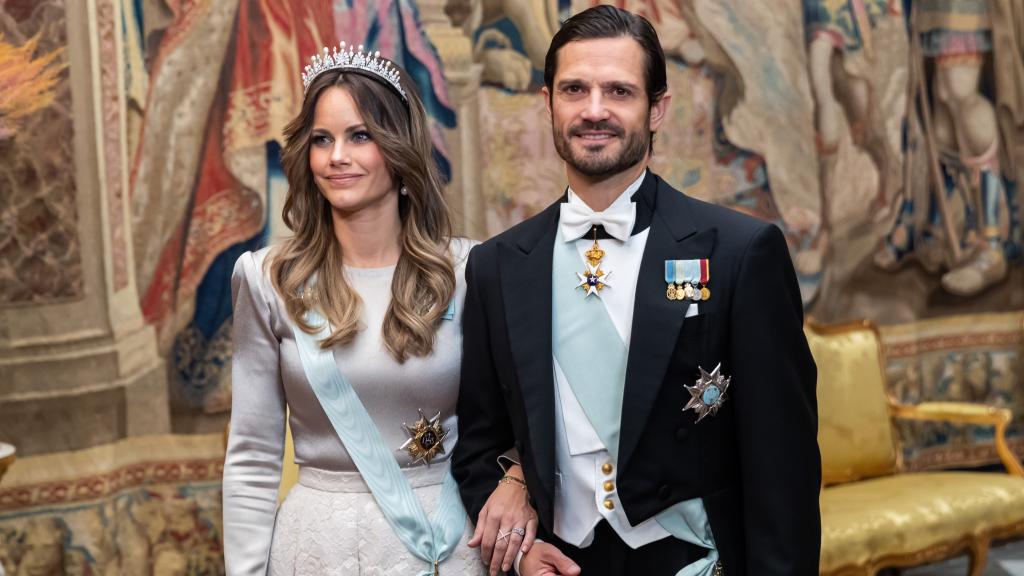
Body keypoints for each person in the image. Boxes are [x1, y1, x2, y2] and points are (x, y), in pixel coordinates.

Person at [452, 6, 821, 576]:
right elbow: (479, 440)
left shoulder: (740, 252)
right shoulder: (497, 264)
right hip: (561, 562)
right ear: (548, 103)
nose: (594, 111)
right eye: (575, 89)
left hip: (695, 560)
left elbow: (784, 465)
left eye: (619, 91)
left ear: (657, 110)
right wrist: (518, 537)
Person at [222, 43, 534, 575]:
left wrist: (518, 481)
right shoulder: (267, 278)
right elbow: (252, 455)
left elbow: (526, 415)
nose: (336, 156)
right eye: (322, 139)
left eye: (359, 136)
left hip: (448, 544)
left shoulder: (467, 271)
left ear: (399, 148)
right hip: (316, 547)